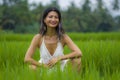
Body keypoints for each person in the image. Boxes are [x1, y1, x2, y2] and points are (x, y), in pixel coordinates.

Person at [24, 7, 82, 72]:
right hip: (44, 67)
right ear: (44, 20)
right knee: (31, 67)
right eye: (50, 17)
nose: (53, 19)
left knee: (77, 60)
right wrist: (43, 66)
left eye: (56, 17)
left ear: (59, 20)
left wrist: (58, 58)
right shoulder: (38, 38)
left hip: (61, 67)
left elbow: (78, 53)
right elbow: (27, 59)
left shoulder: (63, 37)